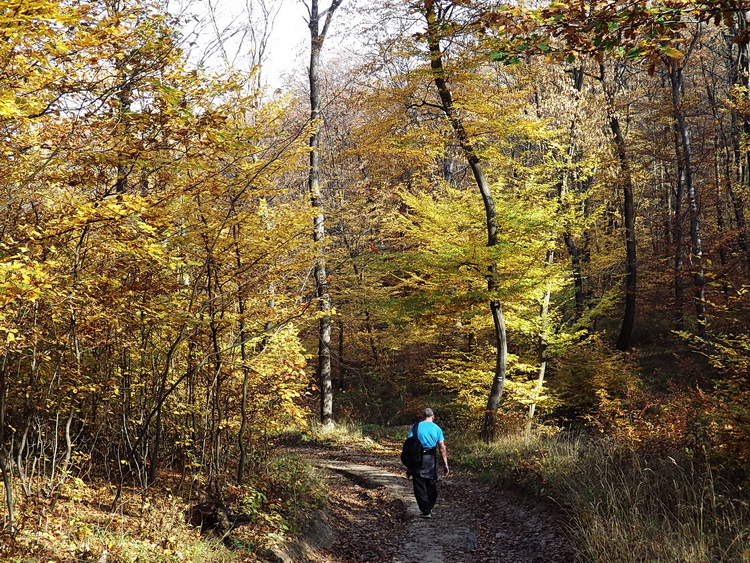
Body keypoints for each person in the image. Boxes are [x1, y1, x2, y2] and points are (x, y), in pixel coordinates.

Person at [407, 407, 449, 518]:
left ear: (422, 416)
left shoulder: (415, 427)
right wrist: (445, 464)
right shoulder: (437, 429)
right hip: (431, 459)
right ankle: (429, 507)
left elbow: (409, 443)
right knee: (431, 484)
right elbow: (441, 447)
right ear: (433, 417)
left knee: (419, 485)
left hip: (417, 459)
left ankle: (425, 510)